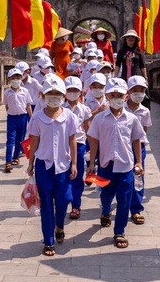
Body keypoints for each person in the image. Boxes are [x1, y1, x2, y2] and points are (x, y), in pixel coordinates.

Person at [86, 77, 144, 249]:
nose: (117, 98)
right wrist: (92, 163)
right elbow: (94, 140)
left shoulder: (132, 119)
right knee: (105, 195)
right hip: (106, 165)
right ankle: (105, 211)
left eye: (120, 95)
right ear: (108, 96)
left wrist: (139, 162)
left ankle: (119, 231)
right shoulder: (100, 119)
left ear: (126, 96)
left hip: (126, 165)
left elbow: (136, 140)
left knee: (124, 199)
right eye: (113, 95)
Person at [26, 75, 78, 256]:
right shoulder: (38, 117)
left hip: (64, 166)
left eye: (57, 94)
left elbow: (73, 139)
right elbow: (34, 141)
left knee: (64, 199)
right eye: (50, 93)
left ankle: (59, 225)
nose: (54, 97)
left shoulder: (69, 116)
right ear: (43, 95)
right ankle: (48, 241)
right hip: (44, 166)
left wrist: (74, 163)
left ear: (63, 96)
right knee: (46, 203)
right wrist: (31, 163)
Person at [62, 76, 91, 220]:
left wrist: (91, 149)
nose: (72, 93)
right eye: (69, 90)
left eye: (75, 90)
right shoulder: (60, 108)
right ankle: (62, 201)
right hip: (63, 144)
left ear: (80, 92)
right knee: (63, 174)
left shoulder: (84, 109)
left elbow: (89, 130)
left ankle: (76, 205)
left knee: (77, 175)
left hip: (79, 144)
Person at [125, 75, 151, 225]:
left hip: (139, 147)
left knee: (138, 176)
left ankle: (136, 208)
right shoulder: (121, 108)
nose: (138, 94)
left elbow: (144, 130)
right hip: (123, 147)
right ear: (128, 91)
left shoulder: (145, 111)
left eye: (142, 91)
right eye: (135, 90)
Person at [3, 68, 33, 173]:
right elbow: (6, 106)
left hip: (23, 117)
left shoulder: (25, 91)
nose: (16, 80)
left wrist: (31, 118)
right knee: (10, 139)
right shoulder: (7, 93)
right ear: (9, 79)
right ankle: (8, 161)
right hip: (12, 118)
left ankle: (16, 156)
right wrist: (10, 113)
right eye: (13, 78)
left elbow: (28, 105)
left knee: (20, 138)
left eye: (18, 78)